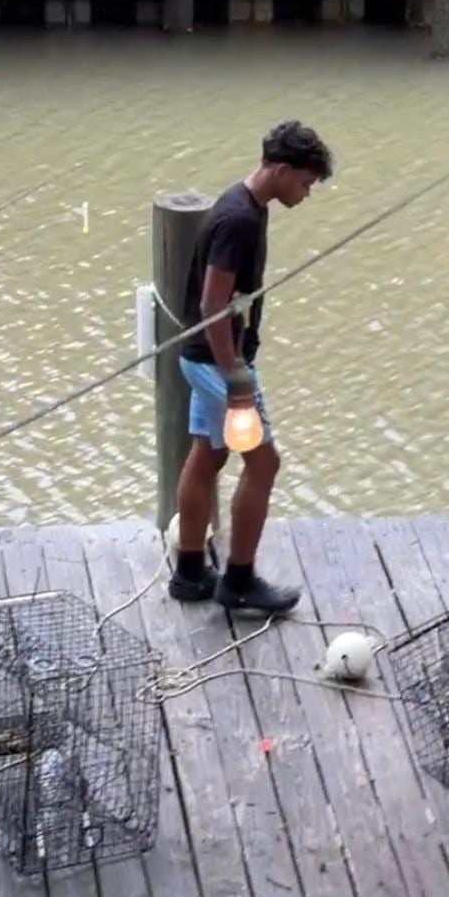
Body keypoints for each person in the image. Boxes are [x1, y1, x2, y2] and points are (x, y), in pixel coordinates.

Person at [169, 119, 334, 617]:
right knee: (264, 464)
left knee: (208, 454)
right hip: (217, 362)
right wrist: (236, 378)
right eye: (305, 182)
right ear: (281, 170)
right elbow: (212, 304)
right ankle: (239, 581)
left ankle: (190, 571)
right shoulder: (238, 219)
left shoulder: (246, 205)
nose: (307, 193)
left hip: (202, 357)